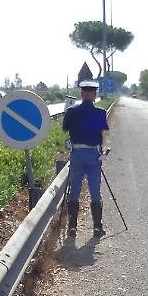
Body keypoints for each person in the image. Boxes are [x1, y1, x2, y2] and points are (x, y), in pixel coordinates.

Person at [61, 80, 110, 238]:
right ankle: (97, 228)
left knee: (74, 191)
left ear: (81, 94)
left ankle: (72, 228)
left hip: (76, 154)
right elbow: (104, 131)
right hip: (93, 155)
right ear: (94, 95)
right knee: (95, 191)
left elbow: (64, 129)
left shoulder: (71, 111)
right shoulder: (100, 112)